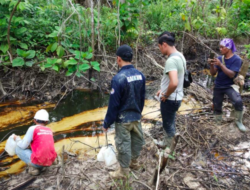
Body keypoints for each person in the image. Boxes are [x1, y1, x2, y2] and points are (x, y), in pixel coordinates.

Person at [102, 44, 146, 179]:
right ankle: (134, 163)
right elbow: (142, 98)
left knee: (123, 144)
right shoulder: (140, 75)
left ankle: (123, 171)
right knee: (136, 141)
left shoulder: (118, 78)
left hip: (123, 119)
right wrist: (138, 113)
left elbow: (113, 105)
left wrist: (107, 123)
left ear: (118, 59)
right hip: (136, 116)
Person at [155, 31, 186, 148]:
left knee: (168, 125)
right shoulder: (180, 56)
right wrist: (162, 89)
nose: (160, 50)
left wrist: (166, 95)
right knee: (170, 122)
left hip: (171, 99)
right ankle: (168, 144)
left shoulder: (171, 61)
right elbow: (176, 79)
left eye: (159, 47)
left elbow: (174, 83)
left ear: (164, 44)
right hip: (178, 96)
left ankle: (168, 149)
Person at [208, 38, 246, 132]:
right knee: (217, 104)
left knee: (237, 101)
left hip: (230, 85)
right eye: (220, 47)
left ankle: (238, 121)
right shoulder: (220, 58)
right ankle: (218, 121)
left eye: (222, 47)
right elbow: (213, 74)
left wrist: (221, 65)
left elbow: (232, 74)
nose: (220, 49)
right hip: (219, 85)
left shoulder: (236, 59)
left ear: (228, 48)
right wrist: (212, 65)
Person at [14, 109, 57, 175]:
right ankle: (51, 162)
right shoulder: (49, 130)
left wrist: (17, 139)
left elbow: (23, 145)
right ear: (47, 122)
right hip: (50, 161)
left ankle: (34, 168)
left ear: (34, 120)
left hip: (39, 163)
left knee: (17, 148)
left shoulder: (32, 128)